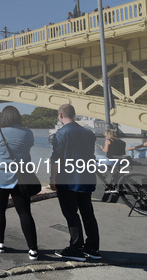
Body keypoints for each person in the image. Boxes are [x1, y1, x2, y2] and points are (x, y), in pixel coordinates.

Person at [0, 106, 38, 260]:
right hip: (20, 178)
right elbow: (29, 145)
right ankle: (33, 250)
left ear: (3, 118)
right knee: (24, 212)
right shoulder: (28, 133)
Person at [50, 104, 100, 261]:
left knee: (71, 214)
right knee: (88, 213)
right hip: (87, 178)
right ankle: (92, 248)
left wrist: (53, 179)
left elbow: (56, 158)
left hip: (69, 180)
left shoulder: (61, 133)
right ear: (74, 114)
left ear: (60, 115)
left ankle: (75, 248)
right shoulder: (89, 133)